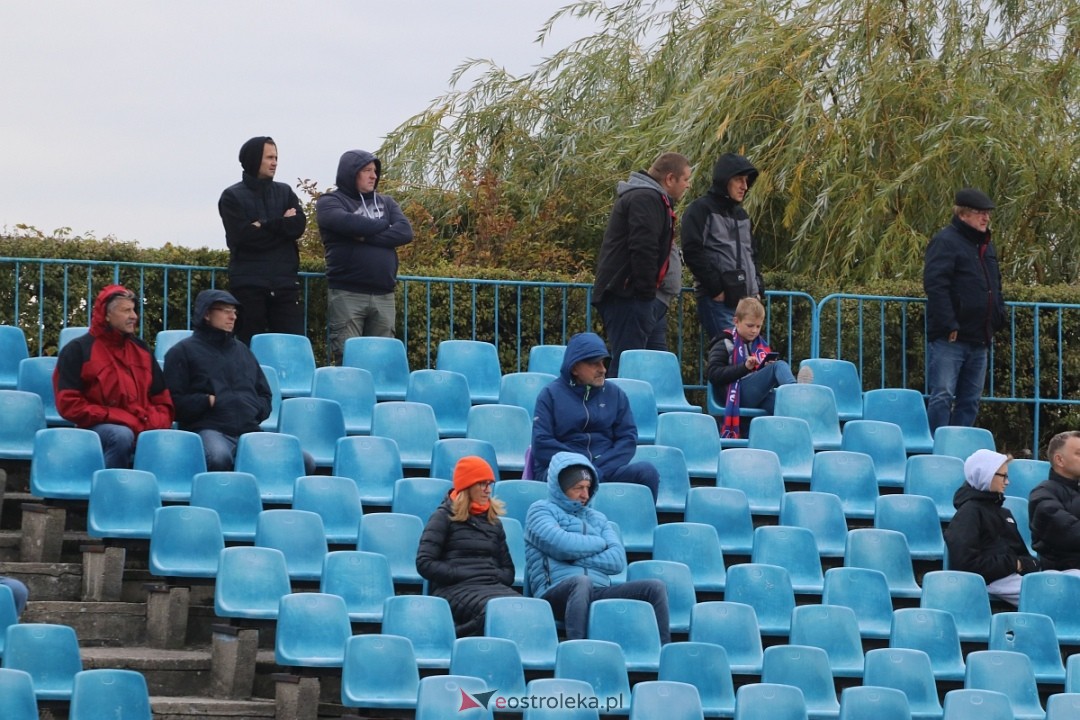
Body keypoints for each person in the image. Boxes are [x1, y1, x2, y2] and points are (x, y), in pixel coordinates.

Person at [164, 289, 315, 473]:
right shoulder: (181, 352)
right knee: (218, 457)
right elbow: (173, 402)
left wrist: (253, 408)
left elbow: (265, 393)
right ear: (206, 314)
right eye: (225, 310)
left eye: (234, 311)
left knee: (303, 460)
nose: (232, 316)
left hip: (249, 429)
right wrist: (208, 401)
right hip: (209, 429)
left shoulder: (242, 350)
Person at [525, 452, 670, 643]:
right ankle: (579, 648)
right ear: (561, 488)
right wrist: (600, 544)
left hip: (597, 591)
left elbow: (617, 561)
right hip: (554, 593)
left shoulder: (597, 518)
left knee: (654, 587)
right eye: (578, 488)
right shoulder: (540, 511)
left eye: (588, 488)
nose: (585, 495)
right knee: (581, 582)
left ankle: (664, 652)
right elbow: (561, 546)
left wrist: (572, 555)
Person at [591, 152, 692, 376]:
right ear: (670, 178)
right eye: (685, 179)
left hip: (642, 299)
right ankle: (611, 408)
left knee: (652, 368)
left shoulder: (651, 199)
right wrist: (645, 294)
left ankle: (646, 410)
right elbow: (643, 248)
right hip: (632, 298)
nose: (688, 186)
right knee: (629, 366)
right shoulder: (646, 199)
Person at [54, 285, 174, 468]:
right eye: (126, 310)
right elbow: (69, 404)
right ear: (106, 315)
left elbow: (163, 400)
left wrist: (152, 424)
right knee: (121, 435)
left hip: (141, 425)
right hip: (96, 427)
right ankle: (110, 491)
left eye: (134, 310)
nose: (134, 316)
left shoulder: (141, 349)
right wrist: (120, 417)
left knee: (164, 438)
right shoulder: (78, 350)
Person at [531, 332, 660, 500]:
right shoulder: (550, 395)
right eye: (594, 364)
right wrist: (581, 465)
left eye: (603, 362)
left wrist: (598, 469)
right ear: (575, 367)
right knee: (573, 478)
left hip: (604, 468)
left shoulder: (616, 394)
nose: (603, 369)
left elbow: (627, 439)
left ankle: (645, 525)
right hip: (565, 468)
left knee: (647, 472)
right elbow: (542, 443)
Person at [316, 149, 413, 363]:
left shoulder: (387, 202)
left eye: (375, 171)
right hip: (347, 293)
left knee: (382, 360)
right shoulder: (330, 201)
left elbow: (405, 232)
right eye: (367, 170)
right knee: (348, 359)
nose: (374, 176)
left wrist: (363, 236)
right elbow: (344, 221)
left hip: (384, 294)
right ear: (351, 173)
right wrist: (382, 226)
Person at [922, 187, 1006, 432]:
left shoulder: (986, 245)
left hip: (980, 336)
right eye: (980, 213)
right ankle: (936, 447)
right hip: (951, 337)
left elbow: (995, 284)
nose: (985, 218)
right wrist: (950, 324)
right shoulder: (945, 241)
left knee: (970, 399)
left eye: (987, 213)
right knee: (942, 395)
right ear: (963, 215)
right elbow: (936, 285)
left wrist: (998, 317)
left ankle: (959, 447)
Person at [415, 456, 519, 637]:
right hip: (453, 588)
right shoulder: (443, 517)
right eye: (482, 484)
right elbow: (424, 562)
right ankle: (456, 636)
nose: (488, 490)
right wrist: (459, 573)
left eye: (490, 484)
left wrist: (492, 575)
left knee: (525, 610)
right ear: (467, 487)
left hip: (491, 586)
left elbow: (508, 571)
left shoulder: (494, 522)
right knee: (494, 611)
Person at [218, 136, 307, 344]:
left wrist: (264, 224)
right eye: (269, 157)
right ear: (253, 159)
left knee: (291, 348)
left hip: (285, 285)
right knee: (247, 348)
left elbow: (297, 226)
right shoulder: (231, 196)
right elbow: (244, 238)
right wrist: (281, 226)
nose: (275, 162)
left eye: (276, 157)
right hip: (249, 286)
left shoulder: (285, 192)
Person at [681, 153, 764, 343]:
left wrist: (759, 288)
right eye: (738, 180)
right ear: (724, 180)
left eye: (746, 181)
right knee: (731, 357)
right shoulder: (701, 209)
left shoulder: (742, 215)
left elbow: (753, 254)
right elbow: (692, 250)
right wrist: (716, 289)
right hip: (718, 301)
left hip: (748, 302)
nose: (744, 186)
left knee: (748, 361)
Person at [943, 449, 1041, 605]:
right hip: (993, 581)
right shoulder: (969, 513)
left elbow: (1023, 555)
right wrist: (1015, 564)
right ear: (986, 475)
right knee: (1053, 597)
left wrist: (1025, 564)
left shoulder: (1003, 513)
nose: (1007, 482)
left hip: (1013, 578)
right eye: (1003, 476)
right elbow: (966, 563)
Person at [706, 296, 796, 438]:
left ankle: (792, 443)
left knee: (787, 407)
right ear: (736, 321)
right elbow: (713, 374)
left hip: (755, 394)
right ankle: (797, 393)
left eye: (758, 326)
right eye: (750, 325)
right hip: (734, 395)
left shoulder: (760, 344)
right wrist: (744, 367)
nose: (754, 331)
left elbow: (755, 374)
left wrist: (763, 367)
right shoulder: (724, 342)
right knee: (778, 366)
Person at [1029, 430, 1080, 570]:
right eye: (1078, 453)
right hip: (1064, 575)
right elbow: (1069, 531)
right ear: (1059, 460)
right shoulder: (1042, 494)